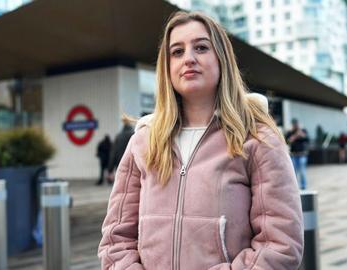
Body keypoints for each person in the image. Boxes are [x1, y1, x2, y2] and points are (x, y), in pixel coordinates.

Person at [98, 11, 303, 270]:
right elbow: (116, 240)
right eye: (177, 52)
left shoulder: (258, 139)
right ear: (167, 67)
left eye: (201, 47)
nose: (189, 59)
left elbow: (280, 243)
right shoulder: (143, 141)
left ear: (221, 58)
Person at [106, 117, 134, 184]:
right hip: (133, 165)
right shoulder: (134, 134)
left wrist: (110, 169)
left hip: (120, 165)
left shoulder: (118, 136)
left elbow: (113, 153)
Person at [285, 118, 310, 190]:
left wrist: (301, 134)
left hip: (302, 154)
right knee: (293, 172)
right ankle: (295, 187)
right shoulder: (289, 132)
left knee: (302, 171)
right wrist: (296, 135)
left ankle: (303, 186)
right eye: (294, 124)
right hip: (293, 155)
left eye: (296, 124)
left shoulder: (303, 131)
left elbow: (307, 139)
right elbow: (287, 141)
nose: (295, 125)